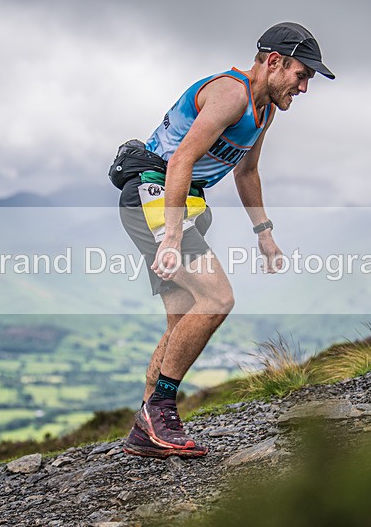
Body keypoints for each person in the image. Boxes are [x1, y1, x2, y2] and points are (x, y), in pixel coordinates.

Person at [117, 22, 334, 458]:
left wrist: (264, 234)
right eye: (302, 74)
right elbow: (181, 158)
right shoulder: (230, 94)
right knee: (216, 298)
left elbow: (247, 172)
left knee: (182, 321)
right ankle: (157, 411)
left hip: (180, 201)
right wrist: (172, 236)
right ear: (275, 62)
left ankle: (147, 429)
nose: (305, 86)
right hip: (156, 193)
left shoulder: (264, 110)